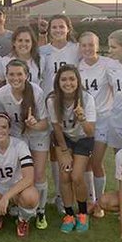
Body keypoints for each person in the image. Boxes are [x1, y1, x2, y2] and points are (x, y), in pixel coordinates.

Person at [0, 59, 50, 230]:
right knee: (20, 173)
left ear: (26, 75)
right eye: (11, 74)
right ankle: (18, 204)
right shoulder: (2, 94)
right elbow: (0, 118)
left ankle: (40, 210)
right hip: (18, 136)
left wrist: (35, 124)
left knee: (39, 174)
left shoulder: (36, 92)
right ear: (6, 75)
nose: (15, 77)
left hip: (38, 134)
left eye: (19, 74)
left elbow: (45, 123)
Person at [38, 14, 80, 212]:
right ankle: (55, 194)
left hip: (68, 106)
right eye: (54, 27)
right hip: (46, 105)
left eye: (61, 27)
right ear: (49, 30)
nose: (57, 30)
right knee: (49, 153)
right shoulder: (42, 50)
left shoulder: (76, 49)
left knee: (62, 152)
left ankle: (63, 196)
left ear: (68, 29)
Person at [48, 65, 96, 233]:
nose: (68, 83)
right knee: (65, 174)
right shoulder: (53, 100)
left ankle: (82, 213)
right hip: (64, 140)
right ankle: (69, 214)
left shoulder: (87, 98)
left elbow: (90, 132)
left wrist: (82, 119)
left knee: (76, 176)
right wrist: (64, 152)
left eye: (72, 79)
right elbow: (57, 129)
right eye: (64, 79)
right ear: (58, 82)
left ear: (78, 81)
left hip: (83, 139)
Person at [0, 113, 39, 237]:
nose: (0, 131)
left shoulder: (20, 145)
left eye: (4, 127)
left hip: (17, 186)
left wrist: (6, 197)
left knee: (31, 197)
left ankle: (23, 220)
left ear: (9, 129)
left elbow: (29, 178)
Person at [77, 31, 115, 217]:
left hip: (104, 120)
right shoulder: (77, 68)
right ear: (79, 47)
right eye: (84, 45)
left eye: (91, 45)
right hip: (84, 121)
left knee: (96, 161)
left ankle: (100, 202)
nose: (87, 48)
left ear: (98, 46)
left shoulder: (108, 64)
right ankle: (91, 200)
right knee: (85, 164)